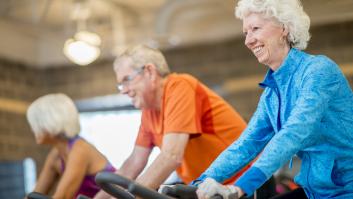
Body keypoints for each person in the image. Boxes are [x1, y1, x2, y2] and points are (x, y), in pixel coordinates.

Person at [194, 0, 353, 199]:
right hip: (315, 192)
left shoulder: (318, 71)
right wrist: (201, 183)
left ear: (284, 29)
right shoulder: (272, 94)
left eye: (255, 29)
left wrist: (239, 187)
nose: (248, 40)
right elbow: (246, 144)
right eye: (246, 33)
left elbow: (294, 132)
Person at [95, 45, 277, 199]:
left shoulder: (180, 86)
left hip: (246, 181)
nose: (124, 91)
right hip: (210, 189)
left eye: (127, 80)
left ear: (149, 71)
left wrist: (134, 196)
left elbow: (171, 156)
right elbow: (133, 163)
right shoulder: (149, 112)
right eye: (121, 85)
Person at [26, 93, 115, 199]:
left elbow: (62, 197)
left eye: (36, 123)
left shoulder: (80, 150)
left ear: (50, 122)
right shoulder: (56, 155)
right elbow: (35, 194)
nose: (33, 129)